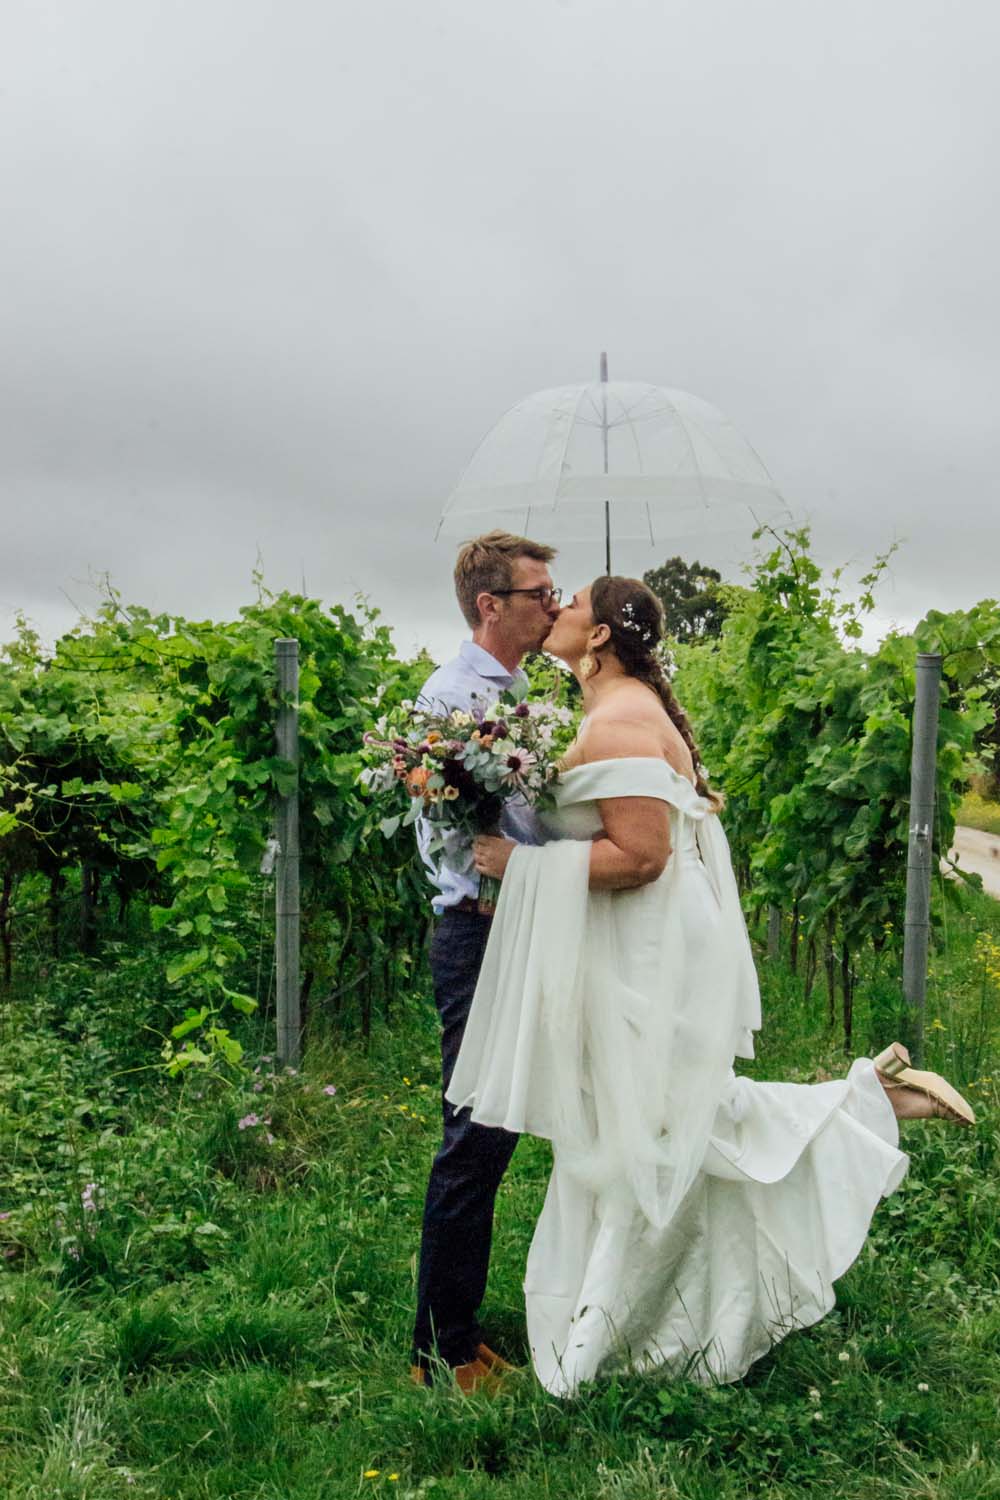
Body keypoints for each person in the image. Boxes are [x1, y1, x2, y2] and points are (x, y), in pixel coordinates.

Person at [449, 575, 975, 1397]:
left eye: (573, 604)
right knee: (651, 1121)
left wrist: (522, 865)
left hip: (646, 946)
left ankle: (593, 1350)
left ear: (598, 639)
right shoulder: (617, 709)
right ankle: (657, 1315)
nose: (557, 611)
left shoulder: (620, 718)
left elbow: (643, 855)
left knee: (644, 1129)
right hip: (642, 940)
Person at [409, 530, 562, 1393]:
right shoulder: (455, 700)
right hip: (479, 930)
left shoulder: (516, 690)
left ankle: (462, 1328)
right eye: (539, 591)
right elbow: (455, 838)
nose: (554, 602)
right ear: (489, 605)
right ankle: (443, 1352)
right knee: (475, 1136)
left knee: (496, 1134)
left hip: (518, 922)